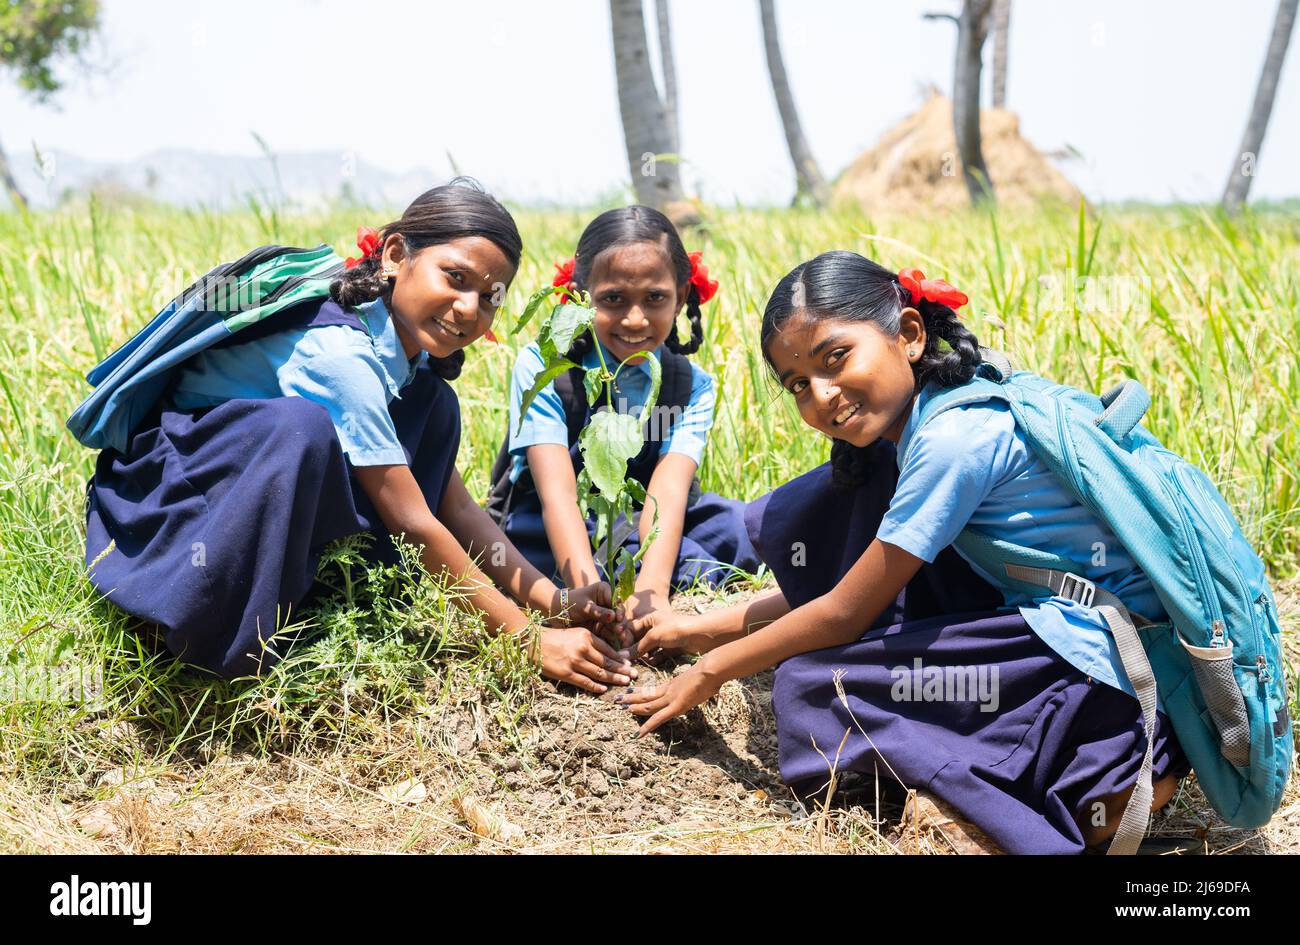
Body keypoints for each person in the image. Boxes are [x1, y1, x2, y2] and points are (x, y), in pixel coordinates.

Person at [621, 251, 1189, 853]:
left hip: (1114, 661)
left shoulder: (951, 441)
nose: (823, 395)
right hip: (1076, 629)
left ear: (910, 335)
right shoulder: (931, 415)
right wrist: (697, 630)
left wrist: (709, 671)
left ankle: (1108, 780)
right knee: (843, 504)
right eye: (798, 386)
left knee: (817, 688)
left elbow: (844, 612)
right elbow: (841, 590)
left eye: (835, 358)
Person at [83, 179, 637, 694]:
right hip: (176, 503)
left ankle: (316, 608)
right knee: (298, 430)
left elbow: (454, 505)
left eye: (491, 296)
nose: (470, 307)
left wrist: (553, 600)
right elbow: (412, 520)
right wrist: (527, 638)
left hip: (251, 491)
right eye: (456, 278)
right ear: (396, 255)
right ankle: (208, 627)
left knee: (433, 407)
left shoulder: (406, 363)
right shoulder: (341, 356)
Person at [490, 205, 760, 623]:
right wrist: (582, 593)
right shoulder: (545, 367)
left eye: (655, 299)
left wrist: (650, 596)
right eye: (613, 299)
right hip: (556, 526)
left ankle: (659, 569)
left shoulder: (691, 384)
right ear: (581, 297)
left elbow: (668, 490)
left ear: (681, 297)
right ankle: (651, 571)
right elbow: (557, 493)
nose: (635, 319)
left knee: (751, 527)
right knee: (607, 568)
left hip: (648, 520)